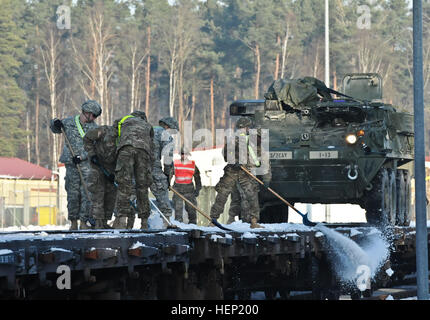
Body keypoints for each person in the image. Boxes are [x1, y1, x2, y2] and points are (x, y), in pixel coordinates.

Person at [210, 117, 270, 228]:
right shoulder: (232, 139)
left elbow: (265, 160)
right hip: (232, 171)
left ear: (248, 128)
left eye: (244, 128)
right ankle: (213, 220)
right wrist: (234, 162)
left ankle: (254, 221)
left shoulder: (256, 141)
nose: (242, 130)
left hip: (247, 172)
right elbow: (225, 154)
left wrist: (267, 178)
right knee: (222, 194)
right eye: (240, 128)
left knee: (252, 196)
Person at [50, 100, 101, 230]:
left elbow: (94, 147)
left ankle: (84, 222)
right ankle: (73, 221)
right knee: (73, 193)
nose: (94, 118)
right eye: (93, 115)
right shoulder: (69, 122)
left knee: (86, 193)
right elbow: (55, 129)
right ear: (87, 112)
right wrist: (55, 123)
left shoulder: (94, 128)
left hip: (85, 164)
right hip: (71, 164)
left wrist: (82, 156)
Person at [112, 111, 154, 229]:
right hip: (143, 152)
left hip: (126, 150)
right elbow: (152, 149)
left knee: (124, 185)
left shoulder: (122, 121)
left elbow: (110, 140)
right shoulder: (148, 126)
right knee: (142, 187)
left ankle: (121, 220)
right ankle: (144, 222)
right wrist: (149, 171)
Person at [83, 124, 118, 229]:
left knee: (111, 195)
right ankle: (97, 222)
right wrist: (92, 154)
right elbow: (87, 138)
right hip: (98, 166)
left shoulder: (124, 138)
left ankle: (105, 221)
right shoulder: (102, 131)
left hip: (112, 168)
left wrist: (115, 172)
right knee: (99, 193)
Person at [150, 117, 178, 227]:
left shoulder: (146, 130)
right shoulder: (165, 135)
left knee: (136, 194)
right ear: (167, 126)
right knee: (162, 193)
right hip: (153, 168)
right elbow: (168, 159)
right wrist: (167, 176)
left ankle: (125, 222)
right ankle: (166, 222)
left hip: (136, 167)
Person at [172, 149, 202, 224]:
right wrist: (168, 184)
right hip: (177, 190)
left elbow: (197, 178)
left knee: (191, 209)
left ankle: (193, 226)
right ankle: (178, 225)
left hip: (189, 190)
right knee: (178, 209)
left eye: (185, 154)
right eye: (182, 154)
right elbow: (170, 174)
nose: (183, 155)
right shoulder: (175, 163)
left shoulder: (192, 165)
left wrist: (198, 189)